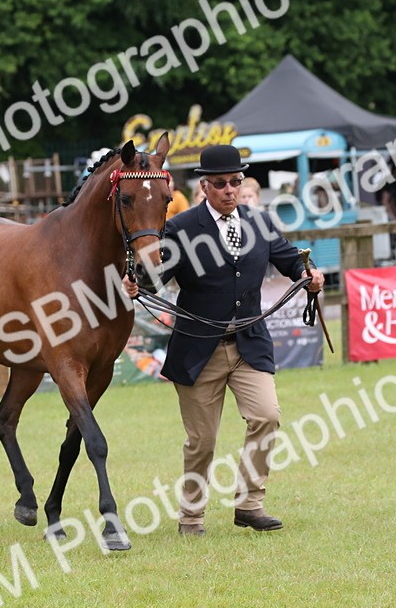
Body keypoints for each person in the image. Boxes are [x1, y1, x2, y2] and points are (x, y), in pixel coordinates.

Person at [124, 144, 324, 536]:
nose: (230, 190)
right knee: (202, 440)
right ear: (205, 187)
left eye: (236, 182)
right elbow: (156, 275)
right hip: (199, 348)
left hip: (249, 343)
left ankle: (250, 504)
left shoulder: (260, 223)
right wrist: (137, 283)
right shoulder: (182, 228)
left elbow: (290, 260)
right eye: (221, 184)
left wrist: (311, 274)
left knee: (266, 416)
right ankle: (191, 518)